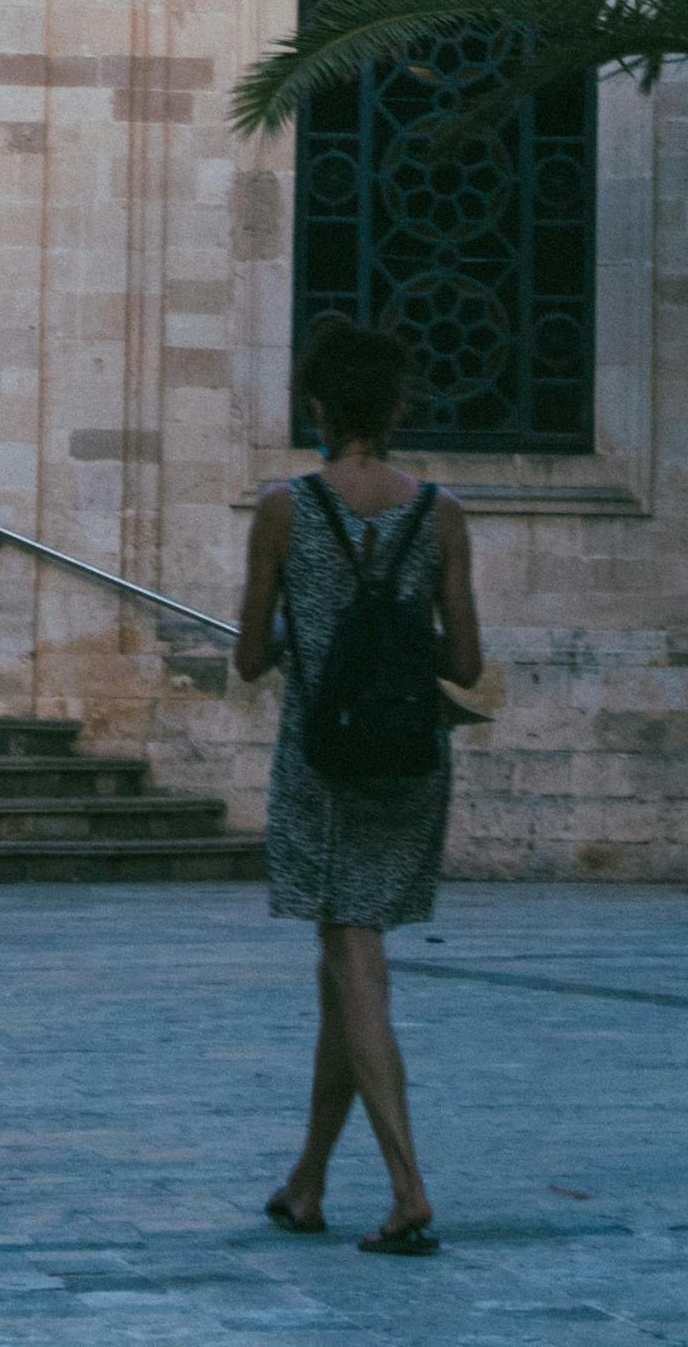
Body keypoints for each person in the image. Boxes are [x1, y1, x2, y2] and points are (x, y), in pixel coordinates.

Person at [237, 316, 487, 1255]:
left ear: (317, 406)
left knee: (357, 966)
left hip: (323, 763)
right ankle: (306, 1181)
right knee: (342, 967)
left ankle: (408, 1188)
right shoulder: (442, 512)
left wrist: (318, 632)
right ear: (396, 405)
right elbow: (465, 659)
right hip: (412, 762)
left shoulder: (285, 509)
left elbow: (251, 658)